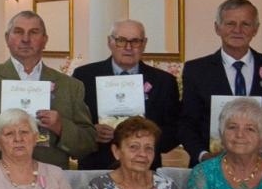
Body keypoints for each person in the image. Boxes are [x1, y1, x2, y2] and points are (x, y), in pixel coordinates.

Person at [0, 10, 94, 172]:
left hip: (51, 181)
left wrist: (61, 127)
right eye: (18, 32)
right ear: (7, 38)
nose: (25, 39)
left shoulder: (70, 86)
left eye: (34, 32)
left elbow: (87, 142)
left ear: (45, 40)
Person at [178, 0, 262, 166]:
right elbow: (186, 123)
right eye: (230, 23)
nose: (237, 30)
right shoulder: (196, 70)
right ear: (217, 28)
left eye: (245, 24)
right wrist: (203, 156)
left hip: (261, 168)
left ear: (256, 29)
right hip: (209, 168)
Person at [73, 19, 182, 170]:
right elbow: (72, 123)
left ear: (144, 44)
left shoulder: (164, 81)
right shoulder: (84, 76)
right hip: (96, 166)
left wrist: (146, 139)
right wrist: (91, 133)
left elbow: (175, 131)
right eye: (121, 40)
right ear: (110, 42)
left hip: (144, 169)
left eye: (135, 41)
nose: (128, 47)